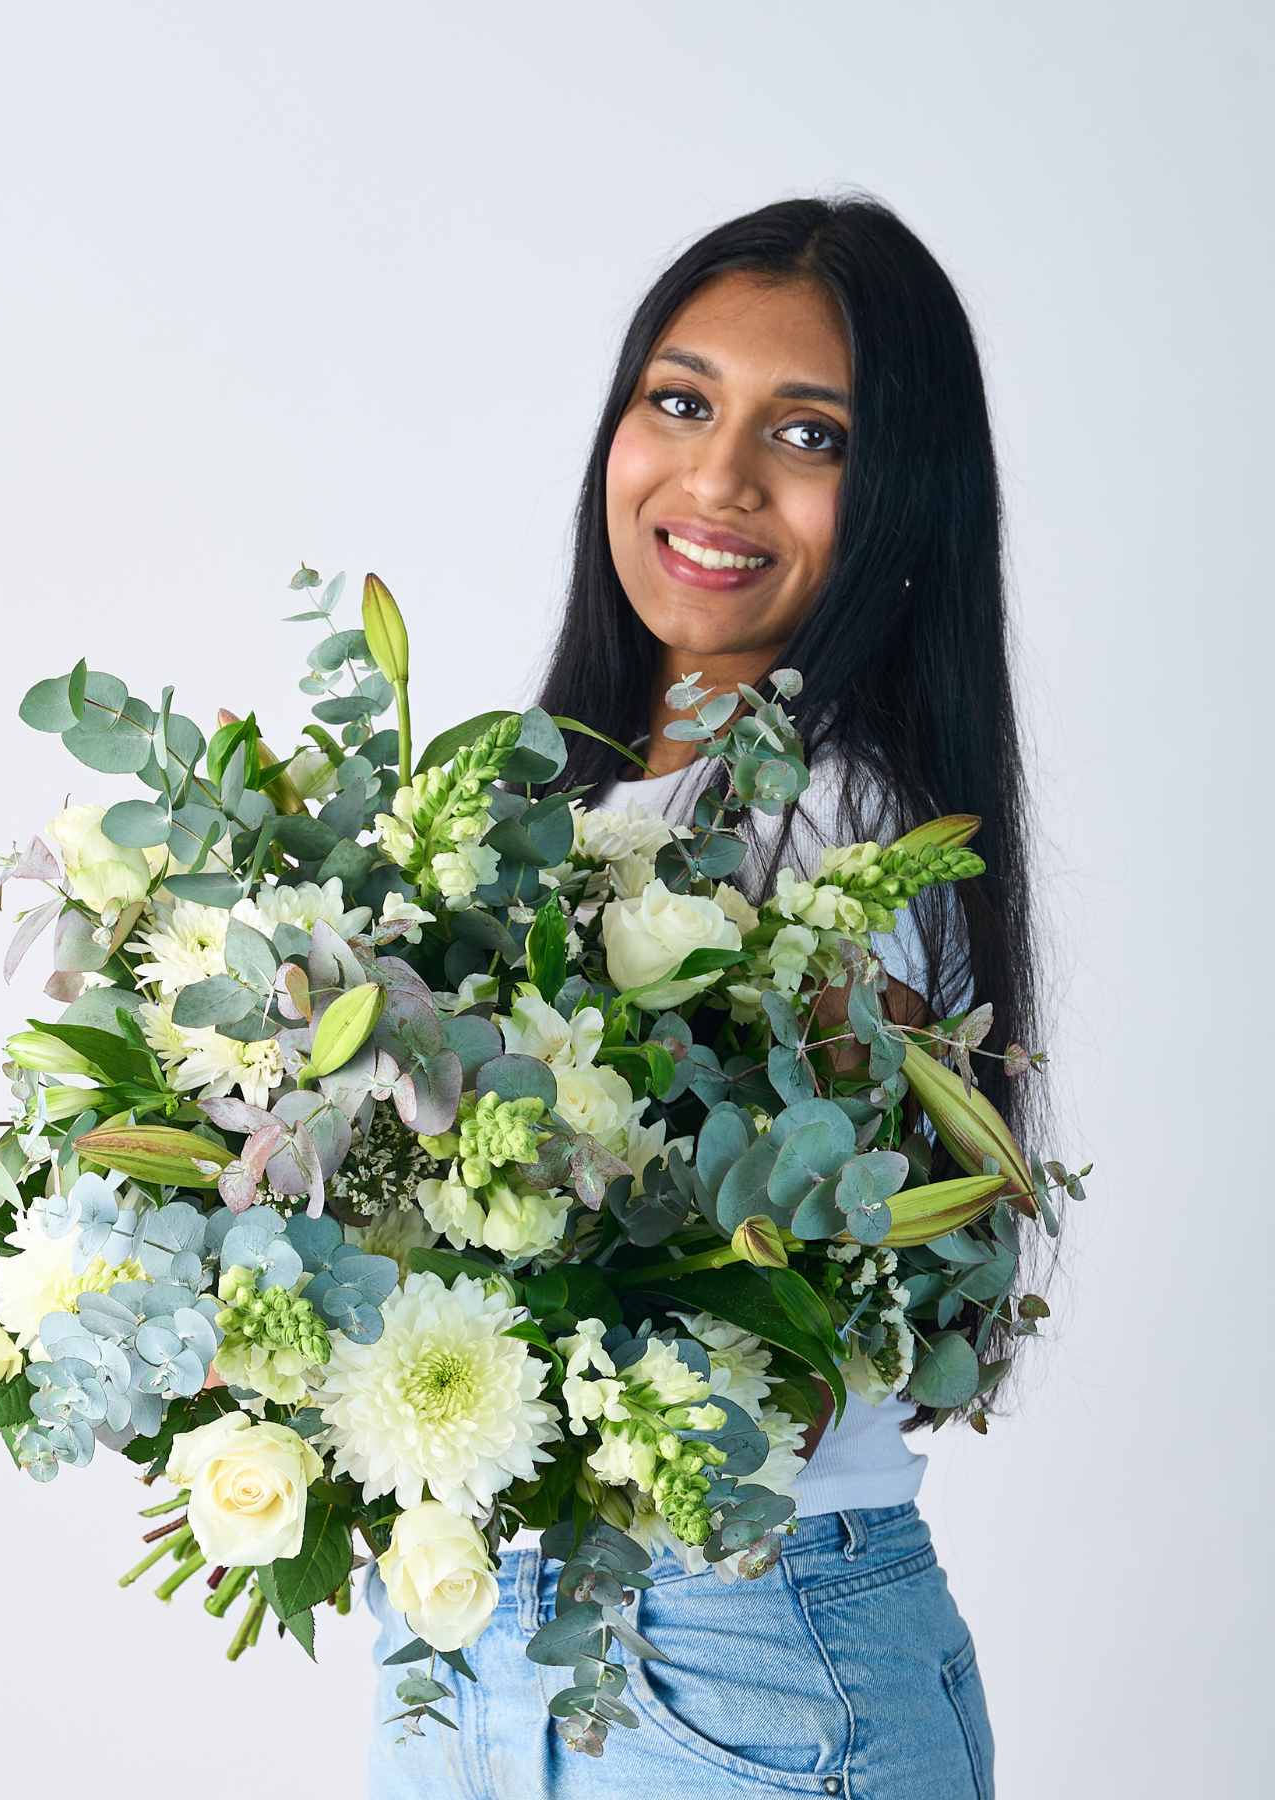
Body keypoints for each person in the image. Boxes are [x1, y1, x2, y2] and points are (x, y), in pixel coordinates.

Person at [365, 193, 1042, 1798]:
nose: (718, 478)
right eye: (680, 402)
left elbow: (794, 1334)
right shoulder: (542, 805)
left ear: (901, 497)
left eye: (808, 436)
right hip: (476, 1628)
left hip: (733, 1647)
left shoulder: (842, 828)